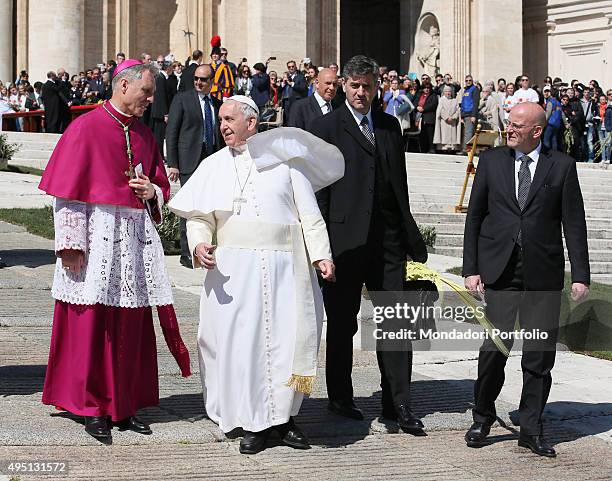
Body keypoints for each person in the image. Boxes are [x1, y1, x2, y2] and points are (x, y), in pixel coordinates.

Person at [168, 96, 343, 454]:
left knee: (284, 343)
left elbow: (309, 215)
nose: (224, 126)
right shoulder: (214, 165)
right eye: (220, 120)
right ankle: (252, 422)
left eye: (230, 118)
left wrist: (322, 255)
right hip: (234, 275)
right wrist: (200, 244)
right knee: (241, 345)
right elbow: (200, 218)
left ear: (252, 122)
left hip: (286, 273)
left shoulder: (286, 165)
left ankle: (283, 420)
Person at [38, 59, 191, 442]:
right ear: (123, 86)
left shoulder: (143, 133)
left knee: (130, 325)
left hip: (132, 242)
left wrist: (151, 192)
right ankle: (91, 407)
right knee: (92, 323)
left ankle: (123, 405)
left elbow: (160, 186)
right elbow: (68, 193)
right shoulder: (85, 128)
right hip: (94, 238)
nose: (151, 100)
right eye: (147, 92)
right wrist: (70, 244)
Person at [462, 102, 590, 458]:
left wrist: (580, 275)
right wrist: (471, 269)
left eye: (517, 124)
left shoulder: (561, 166)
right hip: (500, 272)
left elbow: (573, 223)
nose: (509, 129)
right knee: (493, 350)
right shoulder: (491, 162)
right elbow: (475, 217)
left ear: (537, 130)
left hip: (542, 275)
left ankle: (531, 429)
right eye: (508, 123)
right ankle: (483, 416)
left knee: (538, 357)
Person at [308, 55, 428, 430]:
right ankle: (340, 397)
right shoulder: (325, 127)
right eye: (355, 86)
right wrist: (321, 247)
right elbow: (320, 191)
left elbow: (400, 185)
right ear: (344, 85)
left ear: (378, 87)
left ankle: (398, 403)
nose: (361, 93)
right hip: (344, 242)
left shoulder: (390, 127)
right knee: (343, 323)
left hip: (388, 242)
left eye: (368, 86)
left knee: (395, 321)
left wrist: (407, 234)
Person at [166, 64, 224, 268]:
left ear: (211, 81)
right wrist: (173, 163)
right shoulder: (182, 99)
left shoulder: (216, 103)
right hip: (188, 161)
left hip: (211, 161)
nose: (199, 82)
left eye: (204, 79)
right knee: (189, 206)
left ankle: (206, 247)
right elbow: (171, 132)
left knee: (208, 205)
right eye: (196, 79)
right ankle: (188, 252)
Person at [433, 84, 461, 152]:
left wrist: (453, 117)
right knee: (444, 134)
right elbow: (440, 110)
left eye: (449, 91)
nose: (448, 93)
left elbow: (458, 111)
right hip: (444, 121)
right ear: (444, 92)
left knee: (453, 134)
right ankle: (444, 148)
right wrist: (446, 117)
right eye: (446, 91)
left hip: (453, 121)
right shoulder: (441, 100)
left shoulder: (455, 100)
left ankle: (452, 148)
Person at [281, 60, 307, 125]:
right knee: (287, 119)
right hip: (286, 101)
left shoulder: (300, 76)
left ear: (295, 67)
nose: (291, 68)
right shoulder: (285, 76)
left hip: (296, 100)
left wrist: (292, 84)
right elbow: (279, 90)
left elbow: (303, 88)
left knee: (295, 119)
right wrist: (283, 83)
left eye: (293, 66)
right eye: (289, 67)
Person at [210, 36, 235, 100]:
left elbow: (227, 84)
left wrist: (226, 95)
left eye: (216, 54)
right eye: (213, 54)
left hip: (219, 93)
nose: (214, 56)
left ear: (219, 56)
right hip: (209, 93)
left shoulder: (225, 67)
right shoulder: (208, 66)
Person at [460, 74, 479, 150]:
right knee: (465, 132)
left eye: (470, 80)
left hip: (470, 114)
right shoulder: (465, 90)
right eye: (466, 80)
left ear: (472, 81)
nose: (468, 82)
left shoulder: (475, 89)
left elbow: (475, 103)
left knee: (468, 133)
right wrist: (461, 116)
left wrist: (473, 115)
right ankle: (466, 148)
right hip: (465, 114)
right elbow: (463, 103)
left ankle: (466, 150)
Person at [543, 86, 562, 151]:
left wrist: (544, 122)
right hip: (557, 124)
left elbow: (548, 113)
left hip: (550, 123)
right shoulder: (559, 103)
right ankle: (555, 154)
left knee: (546, 139)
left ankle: (547, 153)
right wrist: (566, 123)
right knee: (554, 139)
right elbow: (562, 114)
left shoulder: (550, 102)